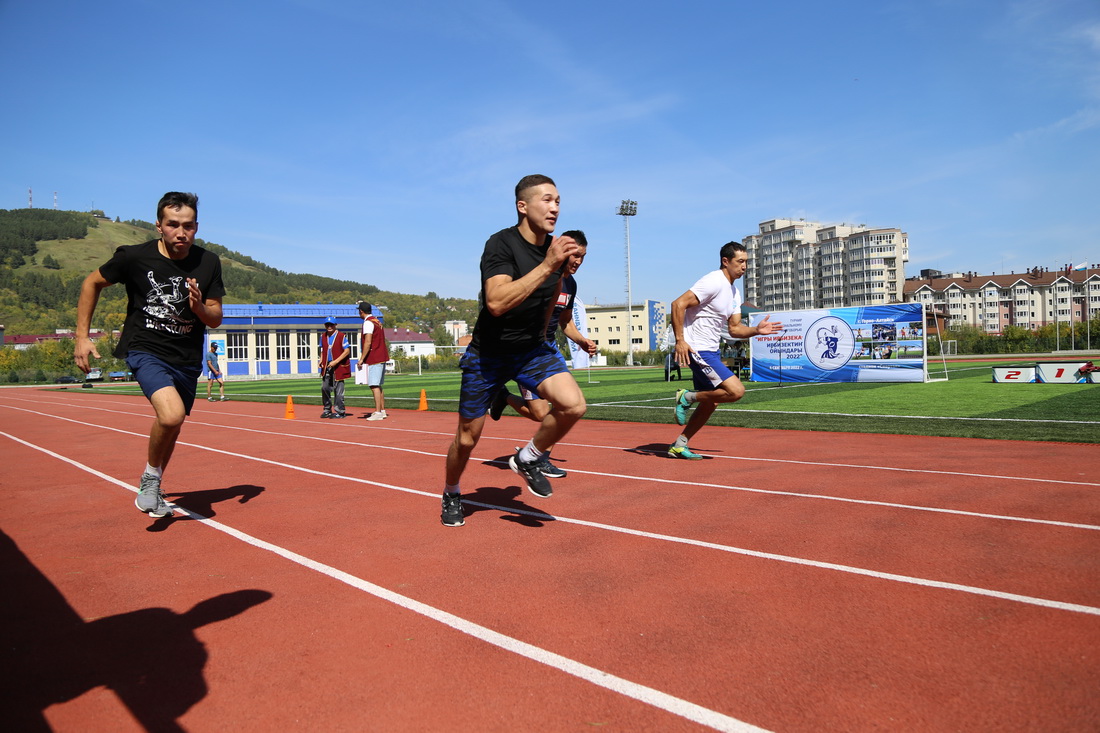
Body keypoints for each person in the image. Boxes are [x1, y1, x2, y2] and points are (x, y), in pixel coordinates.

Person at [440, 174, 586, 527]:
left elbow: (551, 305)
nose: (555, 208)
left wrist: (550, 338)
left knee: (574, 405)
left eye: (558, 201)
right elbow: (496, 302)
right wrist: (548, 265)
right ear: (523, 206)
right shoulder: (501, 245)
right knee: (467, 438)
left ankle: (528, 457)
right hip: (489, 355)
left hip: (532, 351)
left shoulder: (557, 252)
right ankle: (452, 491)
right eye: (547, 200)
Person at [74, 192, 224, 517]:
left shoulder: (209, 262)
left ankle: (152, 480)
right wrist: (82, 337)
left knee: (174, 425)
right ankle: (151, 478)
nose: (180, 233)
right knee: (171, 415)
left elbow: (215, 316)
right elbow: (91, 283)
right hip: (145, 349)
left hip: (186, 360)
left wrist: (198, 306)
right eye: (173, 225)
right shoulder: (134, 257)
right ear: (159, 226)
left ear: (196, 226)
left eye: (187, 226)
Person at [488, 229, 596, 478]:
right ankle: (504, 399)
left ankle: (535, 454)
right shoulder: (539, 274)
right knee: (540, 414)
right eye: (576, 255)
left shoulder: (571, 283)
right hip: (525, 351)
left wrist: (581, 341)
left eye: (583, 257)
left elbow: (566, 321)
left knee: (564, 406)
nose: (579, 261)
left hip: (548, 349)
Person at [668, 241, 782, 459]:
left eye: (746, 262)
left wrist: (756, 330)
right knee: (736, 391)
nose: (744, 266)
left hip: (711, 350)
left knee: (711, 402)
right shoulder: (713, 281)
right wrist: (680, 340)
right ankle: (686, 397)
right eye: (740, 262)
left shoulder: (734, 292)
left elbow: (735, 329)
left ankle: (680, 444)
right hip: (697, 348)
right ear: (725, 261)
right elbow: (677, 304)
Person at [356, 301, 390, 420]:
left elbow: (368, 342)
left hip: (375, 356)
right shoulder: (377, 321)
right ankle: (382, 410)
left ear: (361, 311)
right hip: (382, 355)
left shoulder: (368, 323)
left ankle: (377, 412)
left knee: (374, 385)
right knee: (378, 385)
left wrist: (361, 359)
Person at [319, 316, 350, 418]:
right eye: (327, 325)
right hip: (327, 366)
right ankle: (327, 409)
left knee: (338, 390)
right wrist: (321, 360)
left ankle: (340, 411)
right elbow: (323, 350)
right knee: (325, 388)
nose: (329, 327)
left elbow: (347, 351)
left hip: (338, 366)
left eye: (331, 325)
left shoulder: (341, 336)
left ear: (335, 325)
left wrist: (336, 361)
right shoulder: (323, 336)